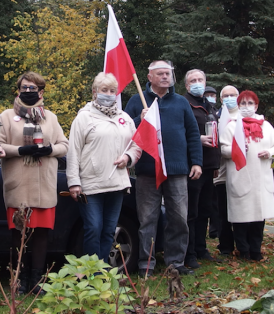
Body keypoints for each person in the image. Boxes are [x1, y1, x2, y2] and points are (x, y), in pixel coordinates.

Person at [125, 60, 203, 276]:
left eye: (168, 74)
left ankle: (175, 263)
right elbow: (123, 130)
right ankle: (146, 264)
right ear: (149, 77)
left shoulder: (181, 103)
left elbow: (193, 134)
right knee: (148, 219)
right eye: (160, 74)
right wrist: (137, 119)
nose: (165, 77)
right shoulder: (137, 101)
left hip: (177, 170)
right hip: (148, 170)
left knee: (179, 217)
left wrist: (196, 161)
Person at [0, 72, 69, 294]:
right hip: (19, 183)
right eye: (24, 87)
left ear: (41, 92)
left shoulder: (51, 118)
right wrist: (21, 150)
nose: (28, 91)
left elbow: (64, 145)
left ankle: (37, 280)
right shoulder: (7, 116)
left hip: (44, 185)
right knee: (18, 234)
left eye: (33, 88)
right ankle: (18, 280)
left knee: (41, 233)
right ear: (18, 90)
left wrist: (51, 150)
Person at [67, 73, 142, 263]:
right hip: (90, 185)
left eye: (112, 91)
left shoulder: (124, 118)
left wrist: (128, 157)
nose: (108, 94)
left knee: (109, 230)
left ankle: (102, 272)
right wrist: (73, 182)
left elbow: (136, 144)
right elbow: (73, 151)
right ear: (94, 92)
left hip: (116, 183)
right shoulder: (84, 118)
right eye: (104, 90)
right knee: (93, 228)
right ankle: (91, 273)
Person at [219, 90, 274, 261]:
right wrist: (235, 151)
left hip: (261, 177)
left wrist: (269, 152)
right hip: (241, 175)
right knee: (241, 216)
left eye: (250, 103)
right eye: (243, 104)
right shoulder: (232, 126)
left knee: (258, 216)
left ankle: (256, 249)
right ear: (238, 106)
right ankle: (243, 250)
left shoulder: (265, 126)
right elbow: (223, 148)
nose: (247, 107)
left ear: (256, 105)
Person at [183, 70, 221, 269]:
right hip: (192, 166)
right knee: (192, 211)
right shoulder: (184, 104)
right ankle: (189, 253)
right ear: (187, 85)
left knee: (205, 209)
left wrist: (216, 164)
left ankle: (201, 248)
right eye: (193, 81)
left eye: (200, 80)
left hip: (209, 165)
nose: (197, 83)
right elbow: (180, 132)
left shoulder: (210, 106)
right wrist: (197, 140)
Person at [214, 85, 239, 256]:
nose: (230, 98)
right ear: (221, 99)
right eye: (226, 95)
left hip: (241, 173)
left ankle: (242, 243)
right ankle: (225, 246)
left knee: (239, 209)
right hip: (221, 174)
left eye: (233, 95)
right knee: (222, 212)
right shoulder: (215, 117)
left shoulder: (245, 117)